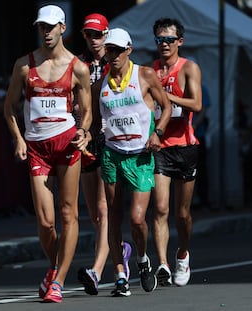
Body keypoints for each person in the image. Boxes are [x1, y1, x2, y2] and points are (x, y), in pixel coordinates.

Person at [3, 5, 92, 303]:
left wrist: (84, 131)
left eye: (52, 26)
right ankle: (55, 266)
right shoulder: (25, 66)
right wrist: (17, 139)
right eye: (42, 27)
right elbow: (9, 107)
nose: (47, 32)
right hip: (37, 148)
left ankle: (59, 281)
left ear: (62, 28)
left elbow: (88, 111)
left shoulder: (78, 67)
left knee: (68, 213)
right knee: (45, 221)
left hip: (67, 144)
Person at [91, 27, 172, 297]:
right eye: (108, 50)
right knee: (113, 216)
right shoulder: (99, 84)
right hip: (113, 154)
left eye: (117, 50)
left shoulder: (145, 75)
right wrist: (92, 136)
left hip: (140, 155)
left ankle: (141, 259)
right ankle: (120, 275)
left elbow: (167, 107)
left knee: (137, 219)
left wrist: (158, 133)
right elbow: (94, 119)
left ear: (129, 50)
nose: (112, 55)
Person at [75, 13, 132, 296]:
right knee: (95, 216)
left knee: (103, 208)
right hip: (84, 138)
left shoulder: (117, 60)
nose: (94, 40)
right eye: (89, 35)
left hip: (109, 138)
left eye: (98, 35)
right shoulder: (77, 64)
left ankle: (96, 272)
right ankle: (120, 248)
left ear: (107, 34)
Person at [150, 18, 202, 287]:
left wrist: (169, 98)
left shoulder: (189, 68)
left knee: (181, 214)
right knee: (159, 208)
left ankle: (182, 253)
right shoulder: (150, 71)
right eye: (159, 40)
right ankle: (163, 264)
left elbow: (197, 103)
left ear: (179, 41)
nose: (164, 45)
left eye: (169, 40)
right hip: (160, 147)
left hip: (185, 146)